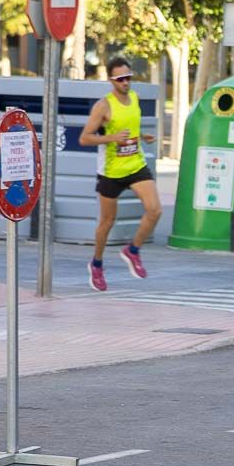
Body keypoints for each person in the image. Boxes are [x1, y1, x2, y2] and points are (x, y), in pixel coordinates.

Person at [79, 57, 162, 292]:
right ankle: (96, 264)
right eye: (120, 79)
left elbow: (130, 128)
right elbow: (85, 138)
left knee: (155, 210)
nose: (126, 83)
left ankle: (132, 250)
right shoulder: (103, 106)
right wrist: (111, 138)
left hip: (135, 164)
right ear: (111, 80)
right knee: (107, 222)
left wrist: (142, 135)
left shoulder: (134, 98)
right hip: (111, 171)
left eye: (128, 77)